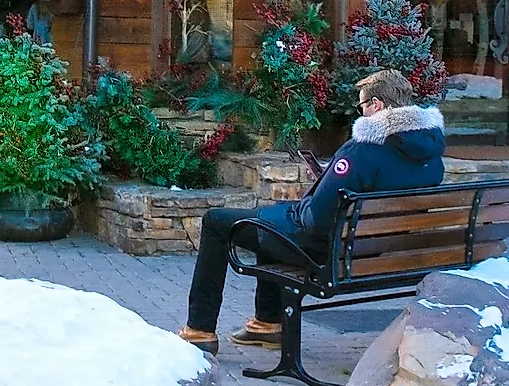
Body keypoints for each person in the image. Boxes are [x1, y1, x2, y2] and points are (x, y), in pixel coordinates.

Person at [178, 69, 445, 353]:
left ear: (377, 105)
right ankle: (267, 323)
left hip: (330, 254)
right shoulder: (430, 156)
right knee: (270, 215)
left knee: (217, 221)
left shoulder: (363, 150)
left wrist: (313, 195)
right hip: (374, 251)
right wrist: (329, 181)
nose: (361, 112)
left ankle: (200, 330)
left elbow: (315, 221)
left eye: (362, 105)